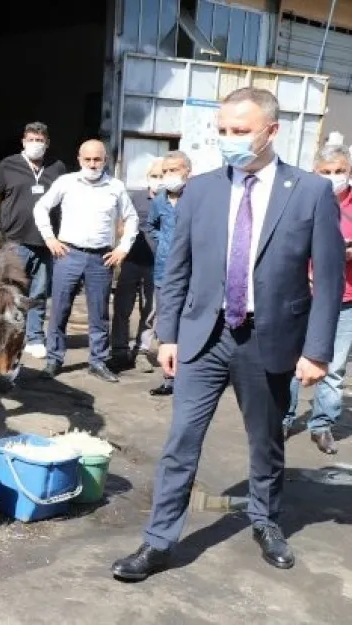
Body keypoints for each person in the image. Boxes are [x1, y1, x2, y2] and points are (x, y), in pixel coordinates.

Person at [111, 87, 344, 581]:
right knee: (181, 441)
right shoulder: (202, 188)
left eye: (241, 131)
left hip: (269, 338)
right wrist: (166, 334)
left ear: (271, 131)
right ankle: (158, 541)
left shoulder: (309, 192)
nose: (229, 140)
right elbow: (178, 268)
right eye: (223, 131)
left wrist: (318, 351)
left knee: (265, 441)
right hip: (203, 336)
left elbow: (327, 280)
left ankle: (265, 520)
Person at [32, 139, 138, 383]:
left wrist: (123, 248)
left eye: (97, 159)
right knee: (59, 308)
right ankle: (54, 359)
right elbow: (41, 208)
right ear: (79, 159)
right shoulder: (66, 182)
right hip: (68, 254)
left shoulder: (116, 187)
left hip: (101, 258)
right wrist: (50, 239)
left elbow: (131, 219)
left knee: (99, 313)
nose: (92, 164)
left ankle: (98, 361)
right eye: (87, 159)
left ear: (105, 160)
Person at [282, 144, 352, 455]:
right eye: (326, 172)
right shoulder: (302, 199)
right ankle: (282, 418)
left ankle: (322, 424)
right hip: (303, 295)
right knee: (291, 362)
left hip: (345, 299)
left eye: (339, 171)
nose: (333, 177)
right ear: (315, 172)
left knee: (333, 366)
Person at [0, 122, 68, 360]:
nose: (36, 144)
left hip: (46, 242)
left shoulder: (57, 167)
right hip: (13, 239)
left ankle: (34, 337)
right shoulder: (8, 165)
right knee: (11, 291)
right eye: (31, 139)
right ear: (23, 141)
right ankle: (10, 333)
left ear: (47, 143)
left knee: (39, 293)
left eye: (40, 140)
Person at [146, 151, 192, 396]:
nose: (169, 175)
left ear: (187, 171)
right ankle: (169, 378)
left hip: (193, 273)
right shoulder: (159, 200)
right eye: (166, 171)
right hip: (165, 272)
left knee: (191, 325)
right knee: (167, 324)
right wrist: (163, 244)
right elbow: (151, 226)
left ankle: (190, 377)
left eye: (174, 170)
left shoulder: (196, 197)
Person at [111, 158, 161, 372]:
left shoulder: (173, 200)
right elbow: (122, 223)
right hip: (131, 261)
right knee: (122, 307)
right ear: (148, 177)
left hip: (157, 265)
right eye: (155, 176)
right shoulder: (137, 197)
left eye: (162, 176)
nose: (158, 180)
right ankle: (119, 350)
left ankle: (142, 350)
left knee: (151, 310)